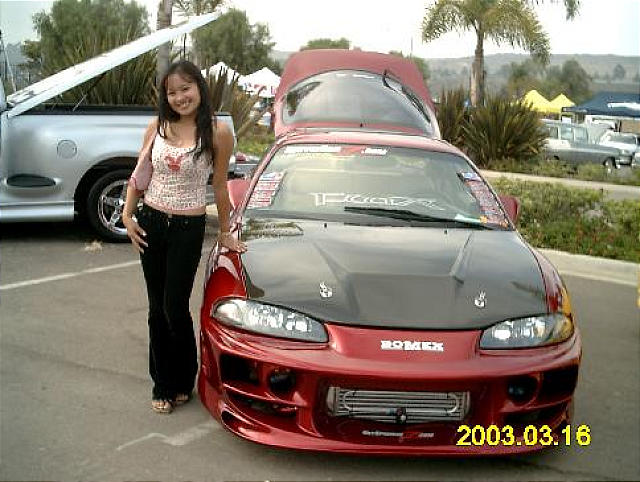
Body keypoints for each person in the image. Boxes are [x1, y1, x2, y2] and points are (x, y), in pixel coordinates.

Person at [122, 60, 246, 414]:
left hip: (188, 229)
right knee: (156, 308)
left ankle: (184, 377)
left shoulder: (218, 132)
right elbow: (141, 173)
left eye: (185, 89)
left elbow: (219, 186)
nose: (179, 97)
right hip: (151, 221)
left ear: (199, 88)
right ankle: (162, 383)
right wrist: (128, 215)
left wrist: (226, 232)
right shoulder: (157, 127)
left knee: (175, 307)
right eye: (172, 92)